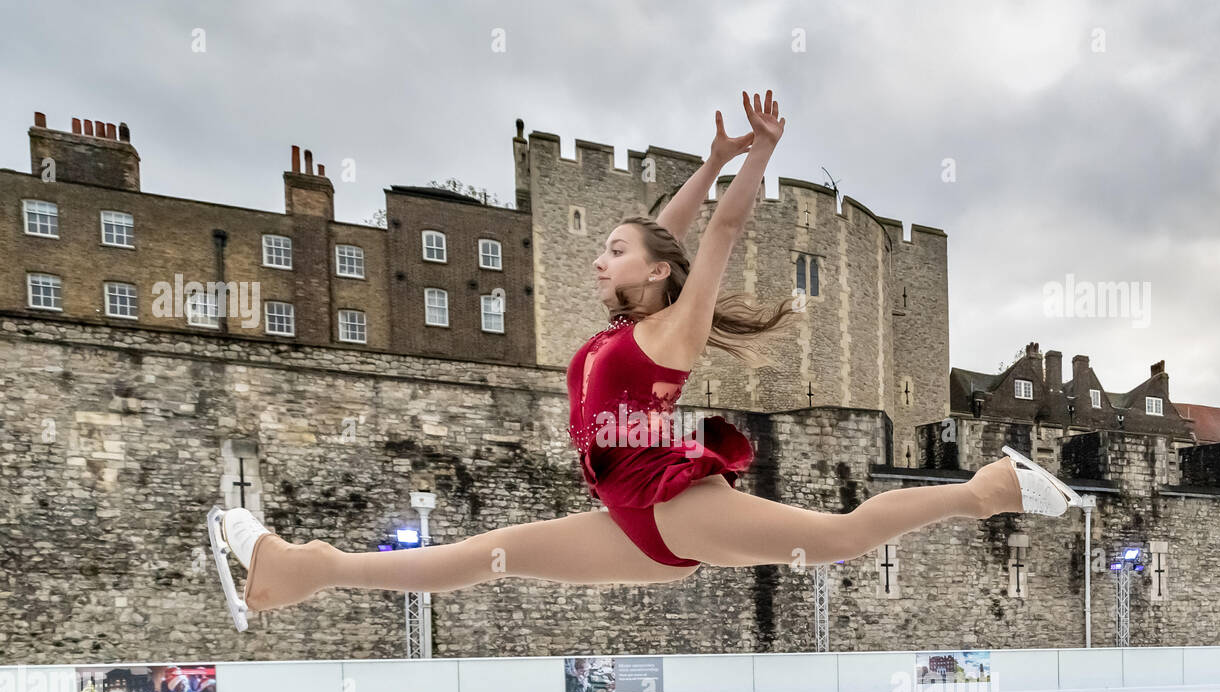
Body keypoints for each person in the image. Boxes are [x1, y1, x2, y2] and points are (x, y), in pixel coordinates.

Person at [208, 90, 1078, 625]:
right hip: (629, 517)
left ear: (658, 274)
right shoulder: (610, 338)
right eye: (605, 248)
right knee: (479, 558)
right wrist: (706, 162)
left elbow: (720, 231)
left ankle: (986, 490)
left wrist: (761, 157)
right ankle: (295, 573)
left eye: (616, 250)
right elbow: (677, 224)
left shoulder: (671, 332)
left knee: (842, 539)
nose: (600, 257)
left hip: (670, 501)